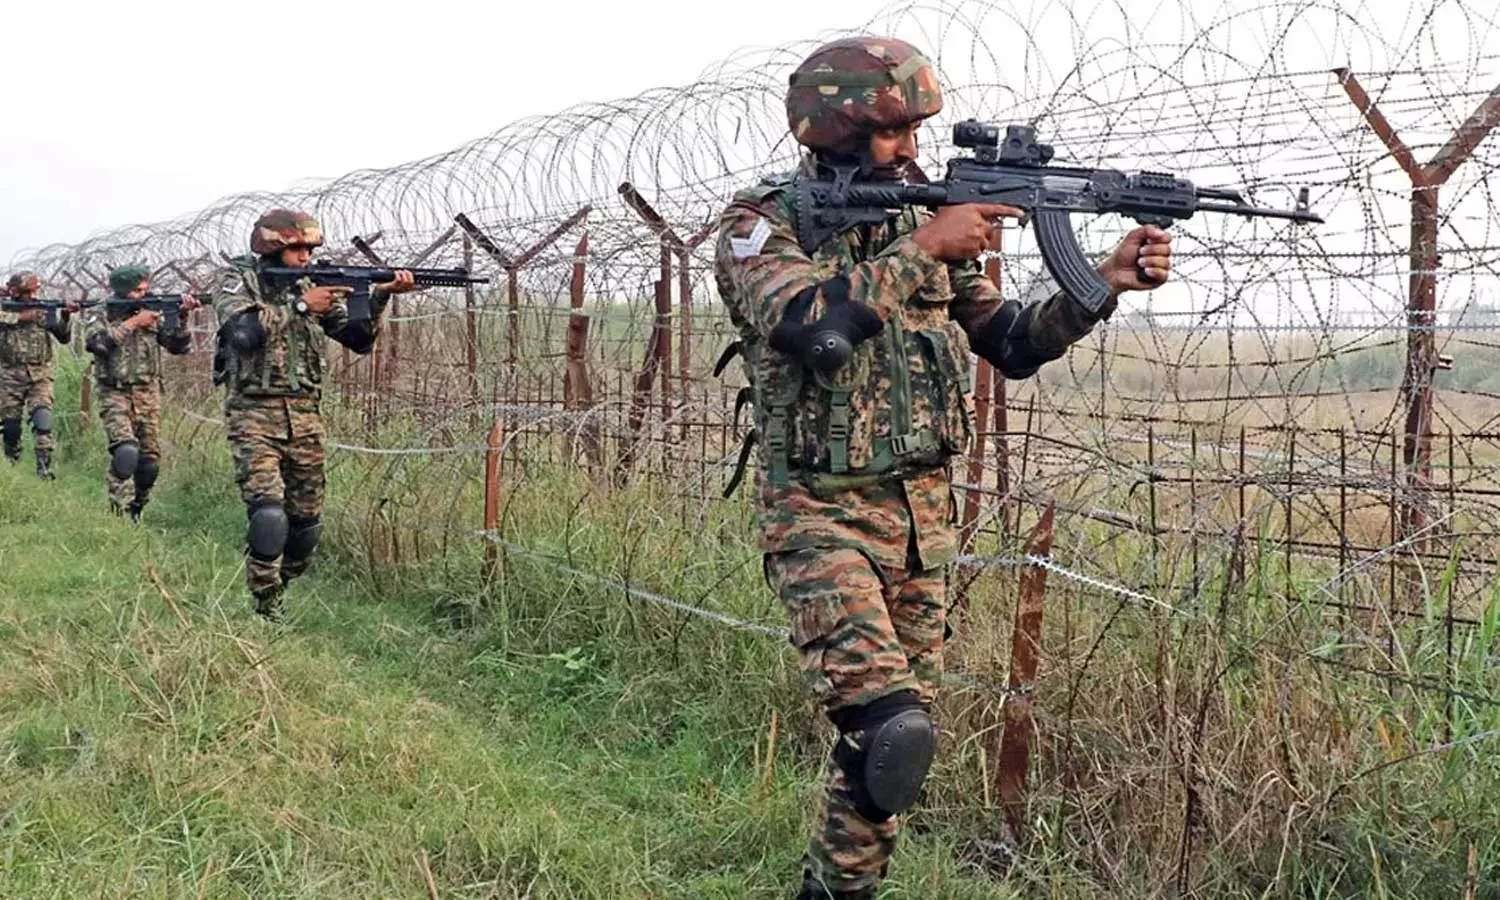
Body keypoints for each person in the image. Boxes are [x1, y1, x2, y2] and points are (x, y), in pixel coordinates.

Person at [711, 36, 1173, 899]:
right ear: (833, 131)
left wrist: (1102, 284)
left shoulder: (915, 224)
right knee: (887, 726)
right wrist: (926, 246)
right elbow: (814, 329)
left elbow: (1011, 343)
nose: (910, 149)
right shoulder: (762, 224)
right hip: (818, 514)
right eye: (891, 132)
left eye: (915, 130)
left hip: (922, 525)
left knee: (896, 752)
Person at [210, 208, 416, 620]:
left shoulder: (310, 284)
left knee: (305, 525)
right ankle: (264, 606)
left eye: (309, 249)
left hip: (305, 416)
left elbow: (357, 339)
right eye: (297, 249)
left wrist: (379, 296)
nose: (306, 257)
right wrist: (301, 307)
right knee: (268, 512)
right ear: (272, 247)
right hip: (254, 414)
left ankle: (279, 585)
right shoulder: (239, 280)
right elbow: (241, 334)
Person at [82, 264, 200, 520]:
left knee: (149, 462)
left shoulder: (151, 311)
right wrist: (134, 323)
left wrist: (180, 317)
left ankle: (137, 507)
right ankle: (118, 512)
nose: (143, 294)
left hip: (148, 393)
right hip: (114, 392)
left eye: (145, 289)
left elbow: (177, 346)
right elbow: (98, 344)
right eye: (137, 290)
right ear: (122, 290)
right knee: (126, 451)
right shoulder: (101, 312)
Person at [0, 272, 77, 478]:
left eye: (35, 292)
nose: (33, 296)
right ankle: (11, 463)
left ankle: (44, 467)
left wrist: (66, 316)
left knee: (43, 418)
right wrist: (21, 317)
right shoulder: (5, 309)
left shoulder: (42, 310)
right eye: (28, 293)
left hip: (40, 374)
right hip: (9, 375)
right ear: (15, 292)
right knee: (11, 426)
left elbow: (63, 337)